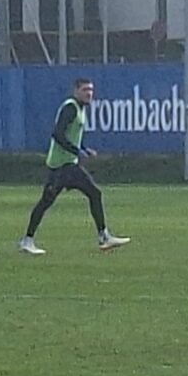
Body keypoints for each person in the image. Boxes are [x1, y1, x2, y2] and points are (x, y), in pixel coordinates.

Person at [20, 77, 129, 255]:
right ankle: (27, 240)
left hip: (69, 164)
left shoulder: (80, 109)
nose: (89, 93)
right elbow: (57, 134)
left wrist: (84, 149)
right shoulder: (70, 107)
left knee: (93, 193)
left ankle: (104, 236)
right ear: (76, 91)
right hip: (60, 166)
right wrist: (77, 151)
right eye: (85, 89)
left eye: (91, 90)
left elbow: (71, 137)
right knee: (46, 202)